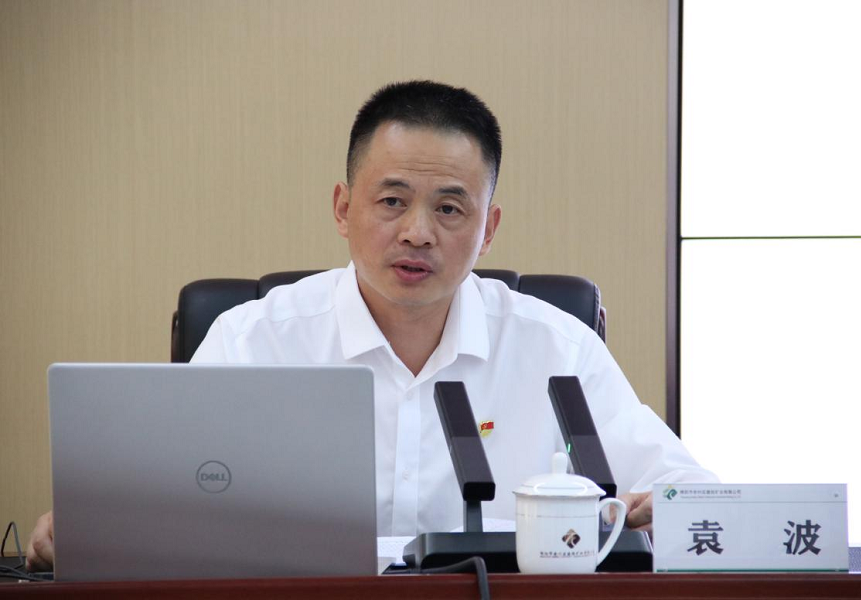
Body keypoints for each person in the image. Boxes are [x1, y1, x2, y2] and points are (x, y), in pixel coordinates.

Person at [26, 80, 716, 571]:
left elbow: (687, 494)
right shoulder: (252, 341)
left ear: (488, 230)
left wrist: (666, 507)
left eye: (450, 209)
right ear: (342, 207)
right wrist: (98, 531)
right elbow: (161, 506)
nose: (417, 232)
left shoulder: (559, 350)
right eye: (392, 201)